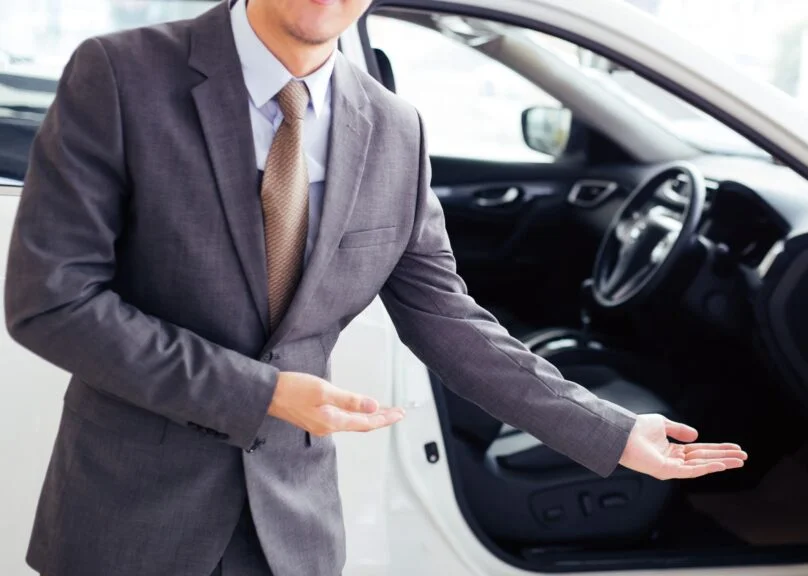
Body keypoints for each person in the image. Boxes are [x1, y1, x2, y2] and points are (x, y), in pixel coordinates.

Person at [4, 0, 746, 574]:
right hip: (130, 524)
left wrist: (610, 431)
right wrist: (259, 395)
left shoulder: (395, 130)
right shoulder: (119, 75)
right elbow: (51, 300)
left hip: (290, 534)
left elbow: (448, 319)